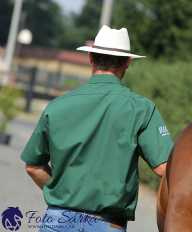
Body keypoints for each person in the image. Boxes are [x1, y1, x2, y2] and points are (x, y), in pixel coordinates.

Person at [21, 25, 173, 232]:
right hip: (107, 224)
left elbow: (33, 166)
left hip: (57, 221)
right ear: (127, 63)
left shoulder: (57, 106)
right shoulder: (142, 109)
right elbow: (165, 168)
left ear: (91, 57)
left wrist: (62, 193)